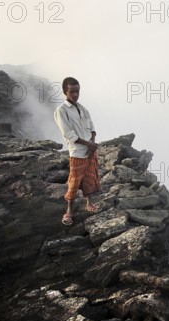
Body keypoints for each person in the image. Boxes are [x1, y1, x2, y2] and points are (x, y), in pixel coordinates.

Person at [54, 77, 102, 225]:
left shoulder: (82, 108)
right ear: (65, 92)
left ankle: (89, 203)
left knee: (90, 177)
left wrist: (92, 145)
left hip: (89, 151)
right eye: (72, 91)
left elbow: (92, 128)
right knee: (74, 181)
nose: (75, 94)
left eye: (77, 91)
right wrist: (87, 144)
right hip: (77, 152)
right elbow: (68, 133)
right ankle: (68, 211)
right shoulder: (61, 111)